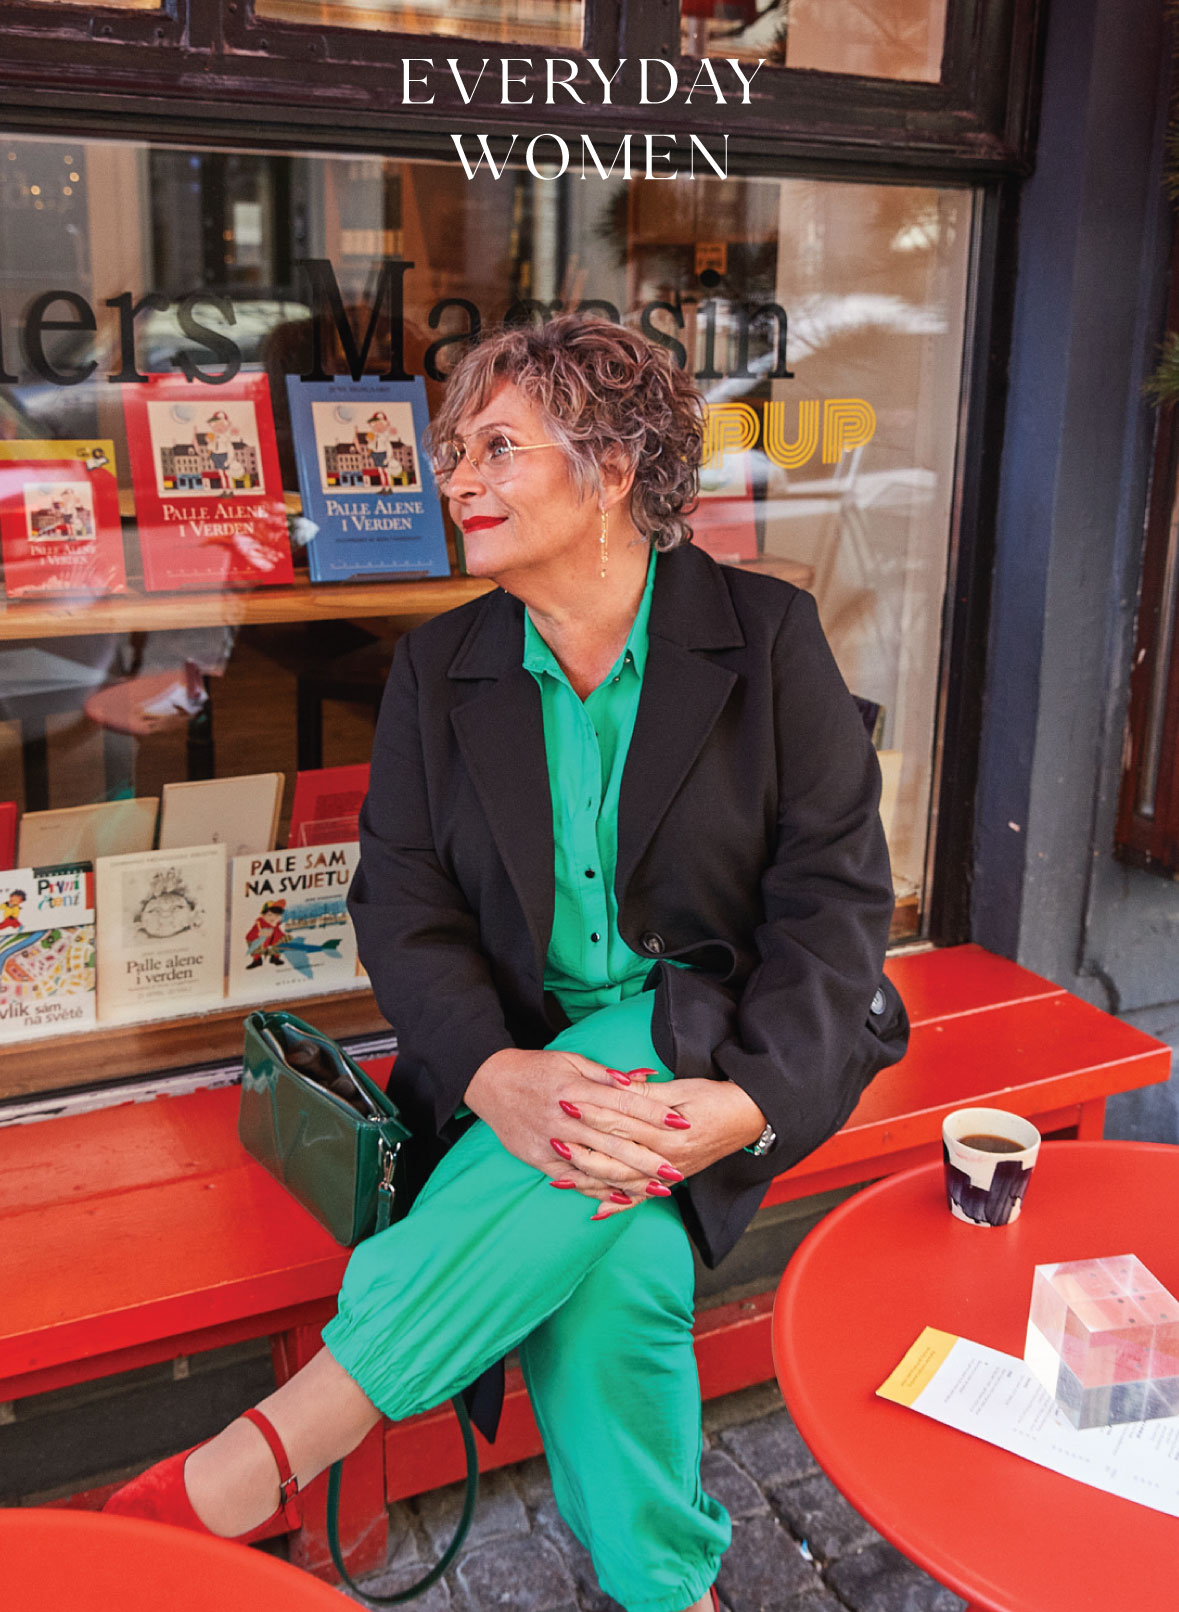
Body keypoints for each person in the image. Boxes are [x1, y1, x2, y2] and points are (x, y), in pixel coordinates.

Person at [104, 315, 908, 1612]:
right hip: (520, 1071)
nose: (454, 480)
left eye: (494, 448)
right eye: (452, 452)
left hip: (717, 1036)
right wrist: (488, 1074)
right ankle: (670, 1594)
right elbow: (402, 906)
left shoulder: (765, 638)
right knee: (621, 1280)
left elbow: (835, 903)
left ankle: (282, 1444)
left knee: (629, 1080)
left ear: (611, 470)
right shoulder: (442, 668)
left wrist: (750, 1103)